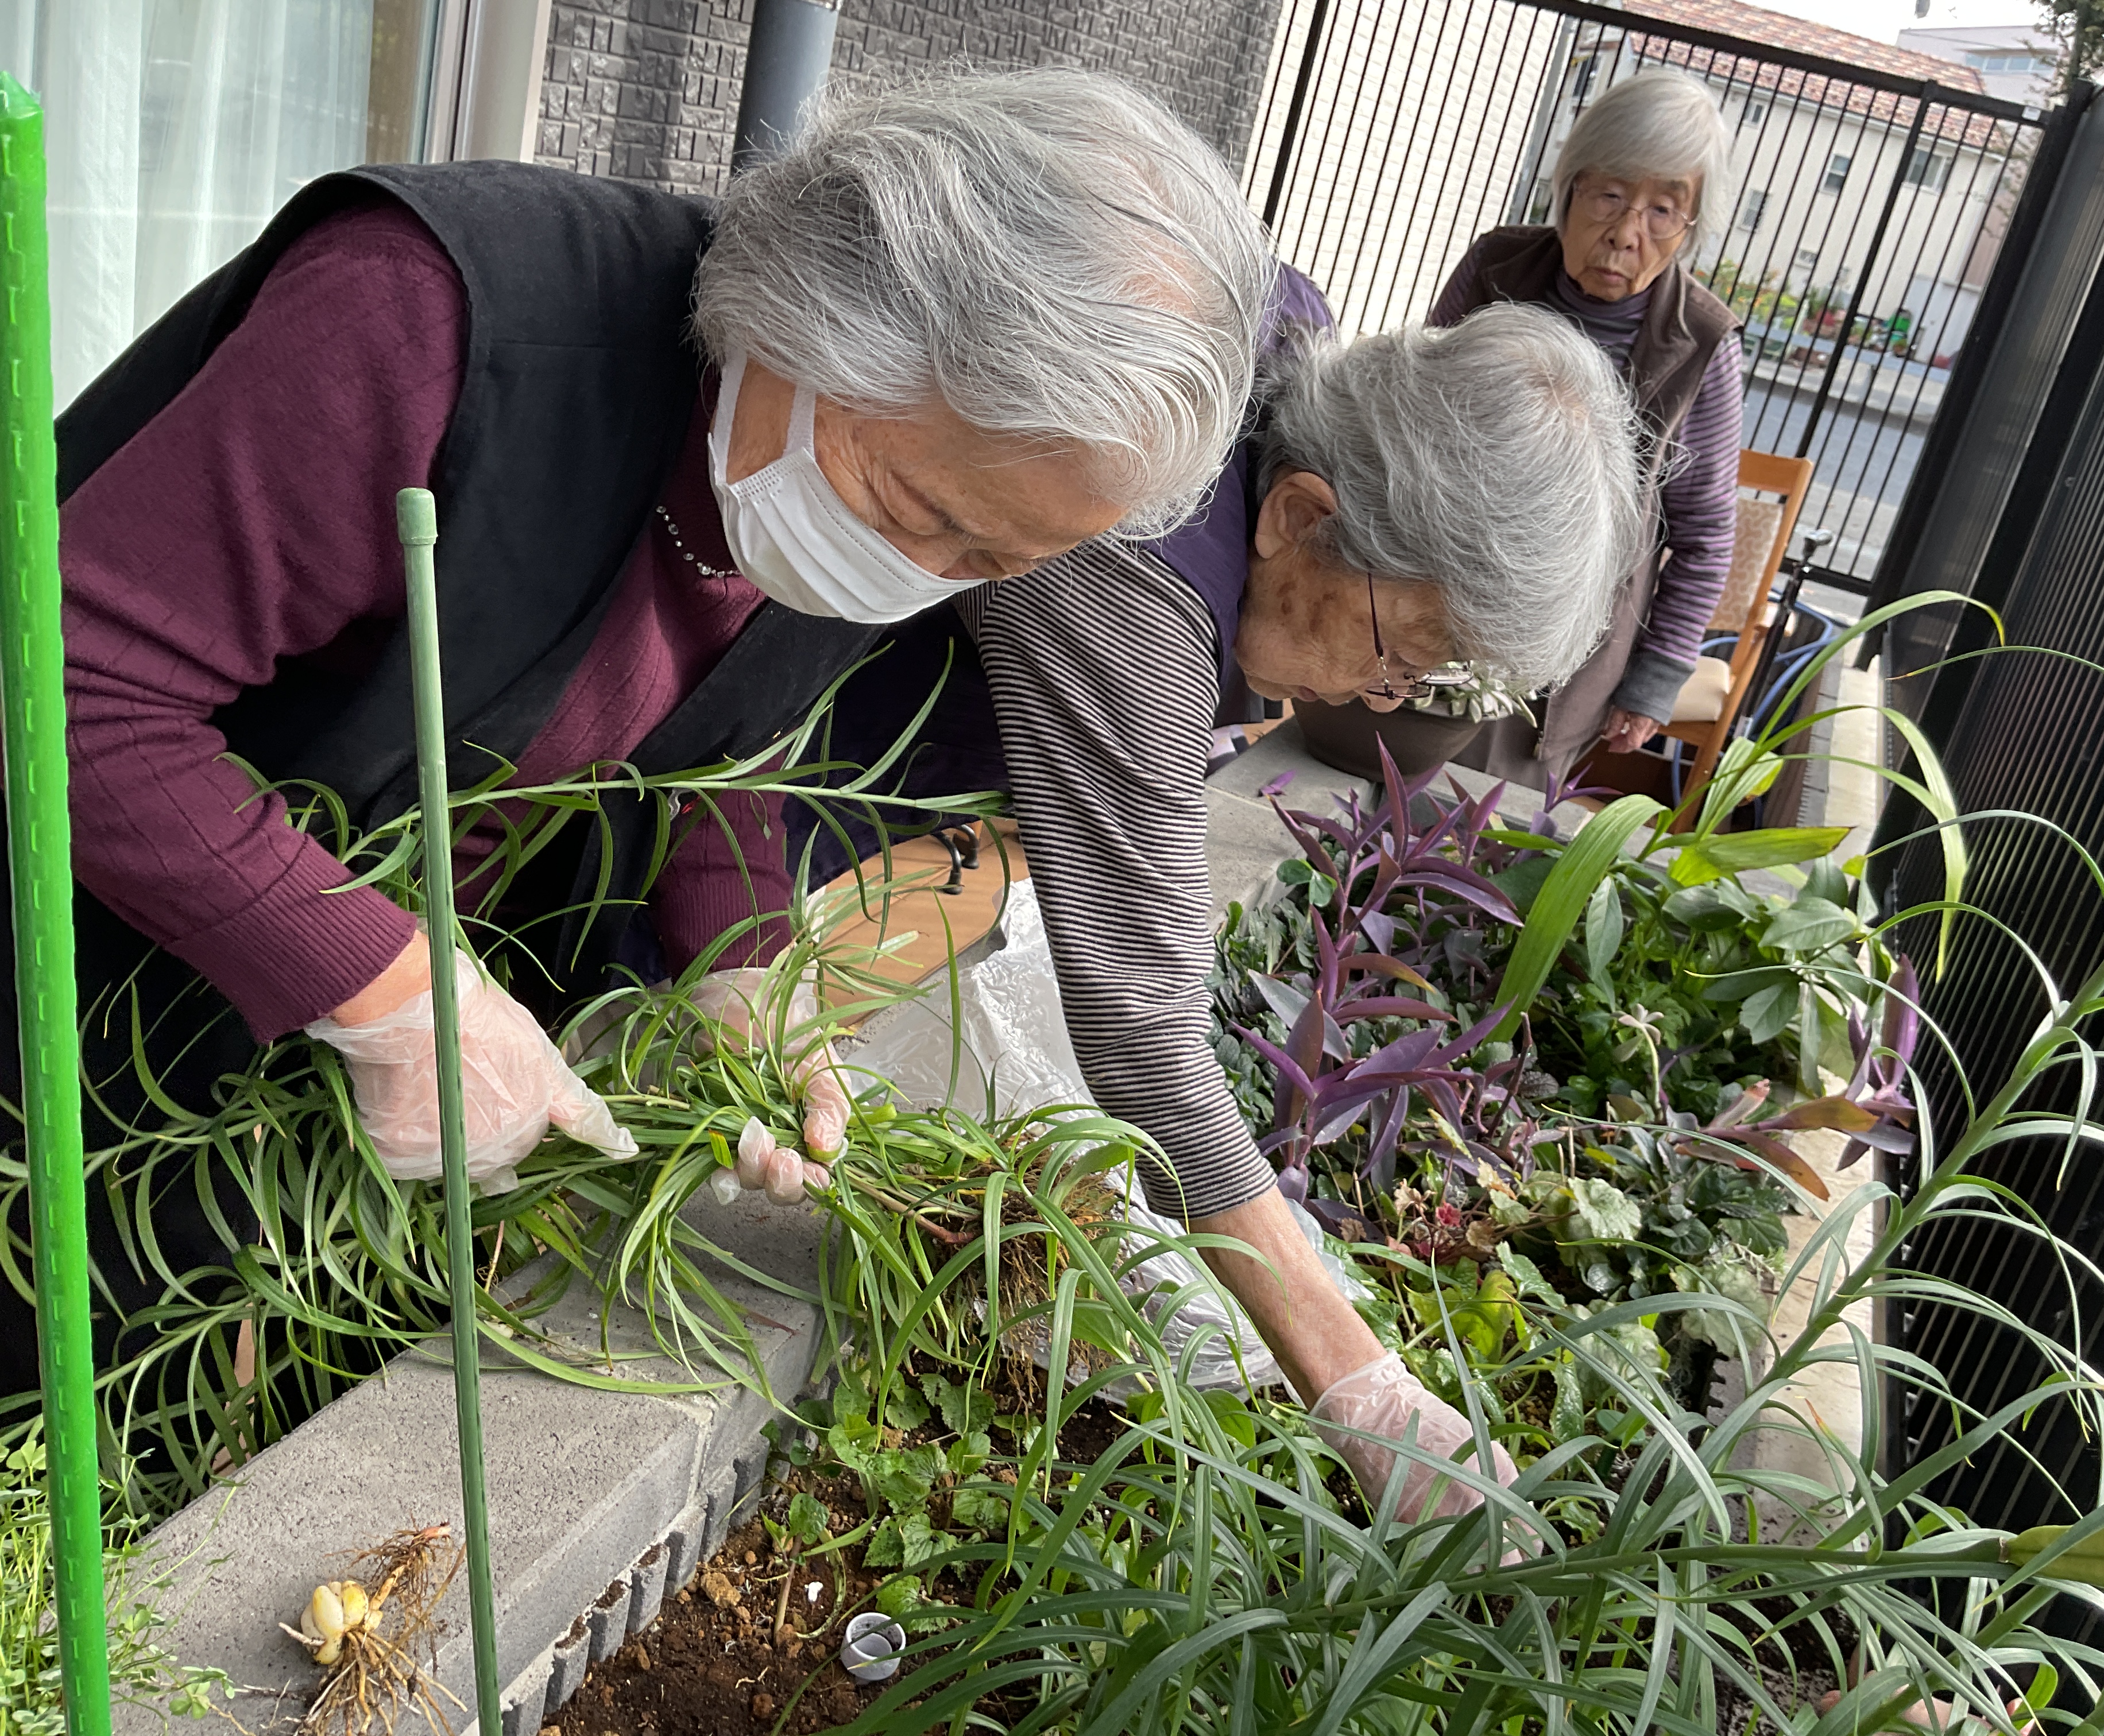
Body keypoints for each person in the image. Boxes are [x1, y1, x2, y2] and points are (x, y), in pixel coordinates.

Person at [1, 67, 1277, 1401]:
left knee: (230, 1352)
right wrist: (389, 991)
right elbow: (69, 684)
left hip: (272, 1016)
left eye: (992, 563)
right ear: (811, 324)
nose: (924, 576)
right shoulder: (431, 325)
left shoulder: (849, 478)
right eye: (917, 514)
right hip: (69, 938)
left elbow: (735, 723)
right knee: (59, 1368)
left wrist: (745, 976)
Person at [809, 290, 1646, 1522]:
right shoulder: (1137, 577)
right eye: (1398, 654)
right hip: (755, 775)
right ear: (1303, 516)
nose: (1380, 694)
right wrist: (1354, 1376)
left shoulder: (1285, 349)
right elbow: (1141, 1030)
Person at [1430, 68, 1744, 782]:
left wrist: (1655, 678)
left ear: (1688, 228)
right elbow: (1413, 412)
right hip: (1435, 589)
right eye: (1609, 196)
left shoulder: (1702, 342)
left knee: (1485, 836)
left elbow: (1703, 536)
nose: (1628, 234)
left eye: (1664, 210)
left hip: (1570, 648)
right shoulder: (1495, 268)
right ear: (1569, 187)